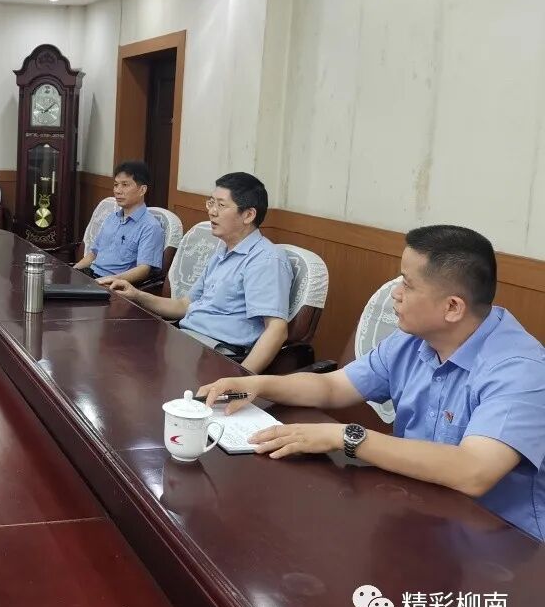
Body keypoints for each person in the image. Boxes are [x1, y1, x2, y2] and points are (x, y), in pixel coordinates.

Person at [200, 225, 545, 541]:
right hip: (419, 509)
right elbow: (333, 387)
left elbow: (474, 471)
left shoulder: (519, 369)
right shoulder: (413, 339)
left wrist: (346, 437)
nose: (396, 293)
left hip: (500, 544)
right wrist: (259, 385)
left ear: (453, 307)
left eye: (408, 284)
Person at [109, 172, 292, 373]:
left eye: (221, 205)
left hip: (215, 353)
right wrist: (136, 294)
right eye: (211, 203)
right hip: (185, 338)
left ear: (248, 215)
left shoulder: (265, 259)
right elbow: (184, 305)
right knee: (117, 353)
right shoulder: (222, 251)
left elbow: (277, 330)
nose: (212, 212)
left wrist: (239, 382)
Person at [73, 161, 166, 285]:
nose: (118, 191)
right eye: (116, 185)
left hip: (114, 285)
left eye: (125, 185)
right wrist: (72, 272)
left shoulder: (151, 227)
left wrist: (108, 280)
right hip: (91, 276)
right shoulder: (111, 218)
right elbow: (93, 254)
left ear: (142, 190)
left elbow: (143, 270)